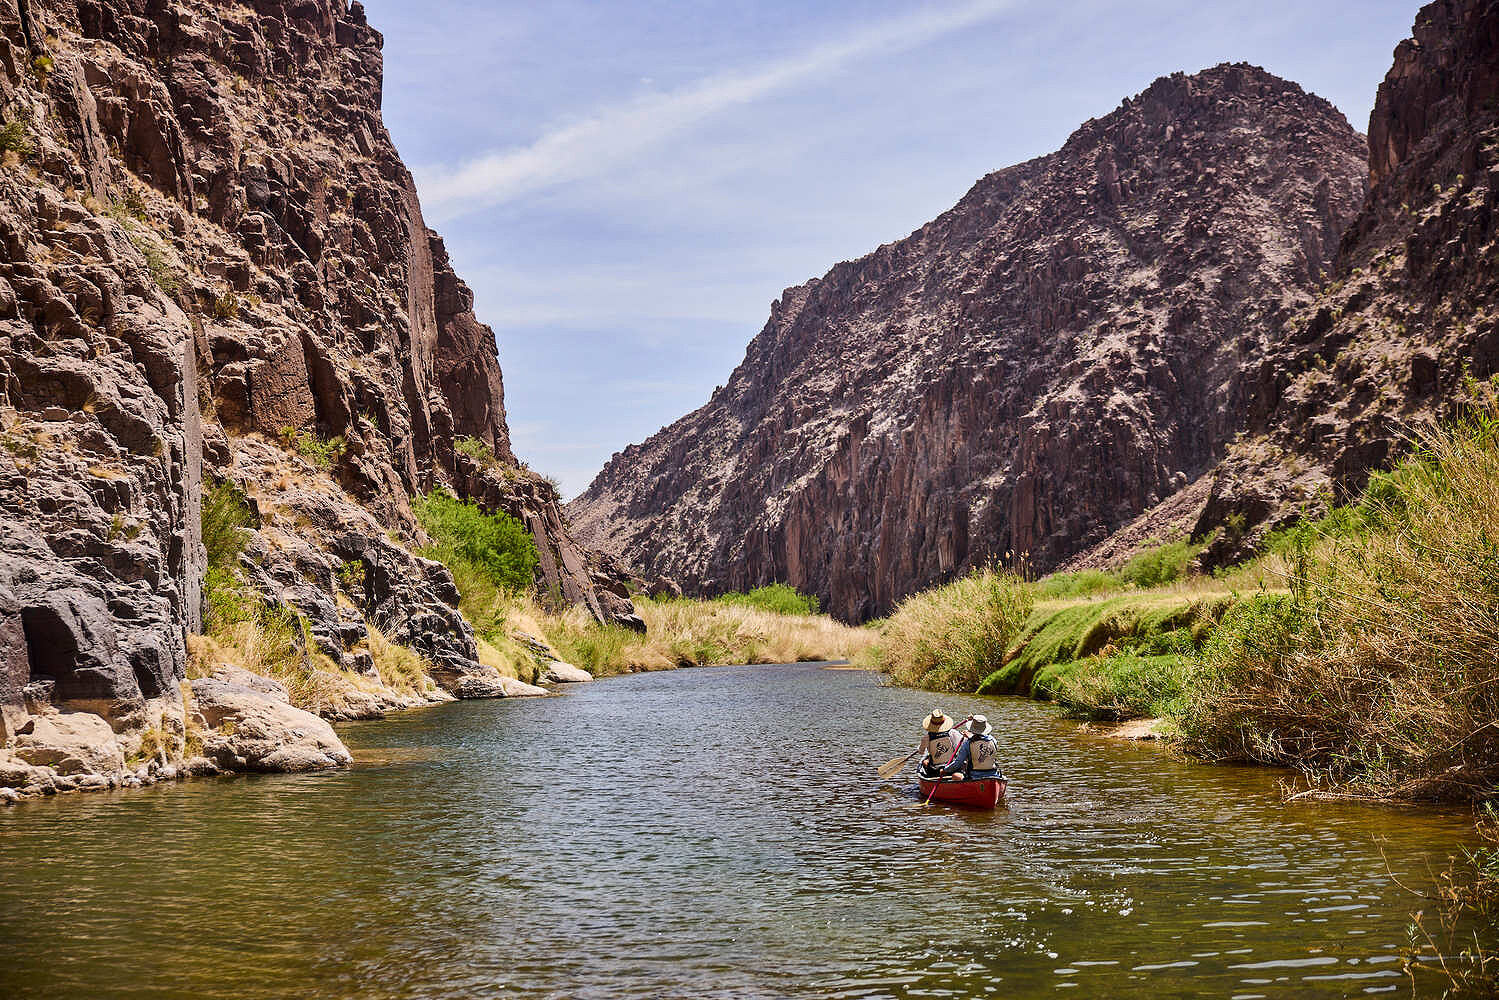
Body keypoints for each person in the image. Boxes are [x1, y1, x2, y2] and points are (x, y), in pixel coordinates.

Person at [941, 714, 1001, 780]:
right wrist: (970, 737)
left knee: (956, 776)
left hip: (974, 776)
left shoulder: (968, 743)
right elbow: (980, 741)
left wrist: (945, 770)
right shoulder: (993, 740)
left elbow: (958, 763)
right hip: (993, 775)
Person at [919, 709, 964, 778]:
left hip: (935, 769)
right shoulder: (952, 733)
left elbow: (921, 752)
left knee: (924, 762)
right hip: (952, 767)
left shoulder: (926, 737)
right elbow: (962, 745)